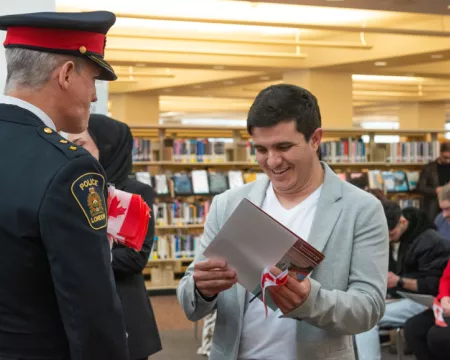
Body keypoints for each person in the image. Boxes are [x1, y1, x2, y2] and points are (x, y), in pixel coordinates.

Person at [177, 83, 390, 360]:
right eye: (261, 149)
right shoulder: (228, 205)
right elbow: (190, 300)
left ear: (316, 139)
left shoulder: (361, 209)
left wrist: (310, 301)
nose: (273, 161)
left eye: (284, 146)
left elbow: (369, 309)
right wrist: (201, 289)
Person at [0, 11, 129, 360]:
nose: (94, 98)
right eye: (93, 80)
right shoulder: (69, 169)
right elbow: (90, 308)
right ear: (67, 74)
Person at [67, 114, 163, 360]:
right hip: (79, 315)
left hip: (123, 314)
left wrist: (75, 260)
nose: (70, 151)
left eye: (80, 144)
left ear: (106, 147)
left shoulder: (131, 194)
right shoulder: (71, 189)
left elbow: (132, 258)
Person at [355, 200, 450, 360]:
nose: (389, 239)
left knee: (365, 317)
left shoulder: (430, 241)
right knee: (360, 310)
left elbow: (433, 284)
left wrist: (398, 281)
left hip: (425, 300)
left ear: (403, 221)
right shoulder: (396, 240)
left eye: (391, 234)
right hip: (405, 297)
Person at [403, 259, 450, 360]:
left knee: (439, 336)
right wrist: (444, 296)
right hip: (446, 307)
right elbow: (446, 278)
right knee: (413, 328)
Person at [418, 142, 450, 221]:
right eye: (445, 157)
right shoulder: (428, 168)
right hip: (433, 206)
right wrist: (435, 190)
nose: (448, 160)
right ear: (440, 153)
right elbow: (420, 187)